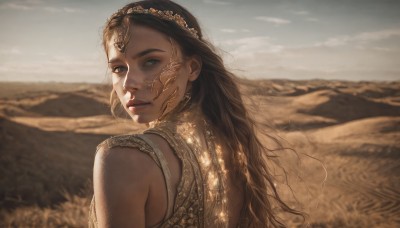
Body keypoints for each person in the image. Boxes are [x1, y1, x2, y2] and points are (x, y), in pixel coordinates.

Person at [89, 0, 304, 227]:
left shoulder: (123, 158)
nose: (129, 83)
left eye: (151, 61)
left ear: (192, 68)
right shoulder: (233, 146)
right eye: (118, 68)